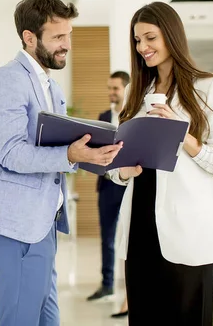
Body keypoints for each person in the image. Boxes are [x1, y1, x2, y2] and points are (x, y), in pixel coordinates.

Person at [0, 0, 123, 325]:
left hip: (44, 223)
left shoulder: (51, 87)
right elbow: (12, 152)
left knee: (49, 320)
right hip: (17, 230)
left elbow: (62, 153)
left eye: (69, 35)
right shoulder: (6, 79)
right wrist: (70, 153)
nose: (67, 45)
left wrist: (109, 160)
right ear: (30, 38)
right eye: (58, 37)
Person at [108, 1, 213, 326]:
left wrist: (182, 134)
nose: (142, 47)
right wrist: (121, 171)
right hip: (141, 227)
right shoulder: (136, 92)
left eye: (150, 37)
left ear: (171, 36)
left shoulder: (208, 87)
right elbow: (115, 161)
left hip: (188, 229)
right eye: (137, 40)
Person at [87, 71, 130, 302]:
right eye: (109, 88)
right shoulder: (103, 116)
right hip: (106, 186)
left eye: (115, 88)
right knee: (107, 238)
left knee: (132, 238)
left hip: (128, 185)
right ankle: (107, 284)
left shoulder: (135, 116)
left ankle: (133, 290)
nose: (111, 93)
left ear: (126, 89)